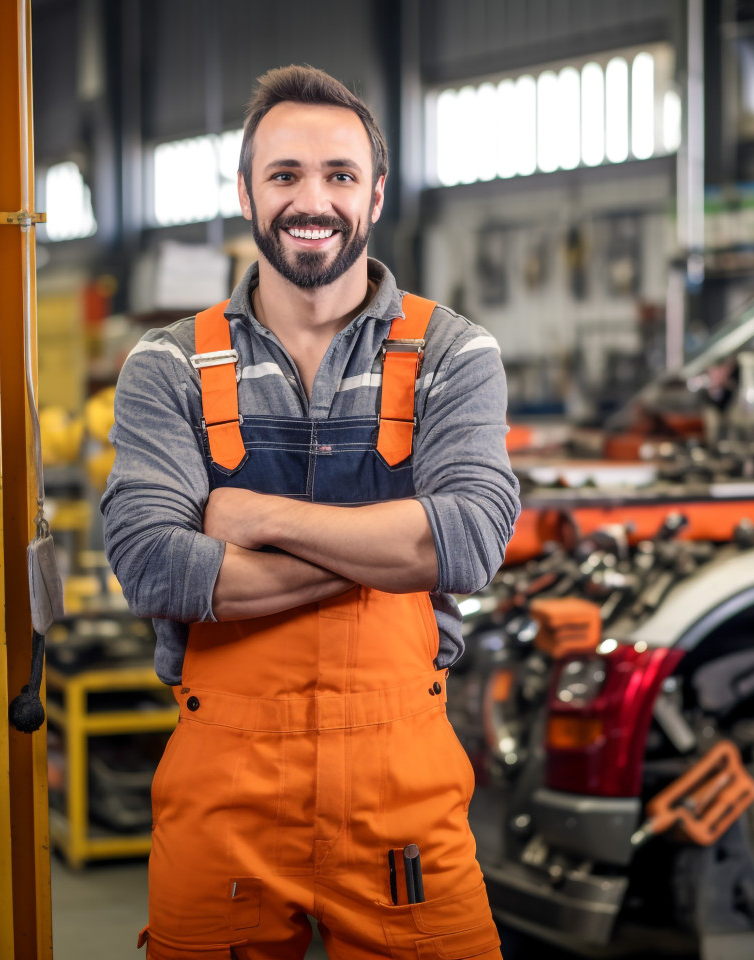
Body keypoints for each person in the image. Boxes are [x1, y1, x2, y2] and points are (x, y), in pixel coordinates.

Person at [102, 64, 520, 960]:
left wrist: (254, 515)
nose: (312, 200)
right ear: (247, 190)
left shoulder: (452, 352)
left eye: (338, 175)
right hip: (226, 807)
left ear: (374, 194)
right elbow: (152, 564)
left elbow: (473, 540)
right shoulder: (167, 366)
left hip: (401, 799)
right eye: (285, 174)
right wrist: (389, 549)